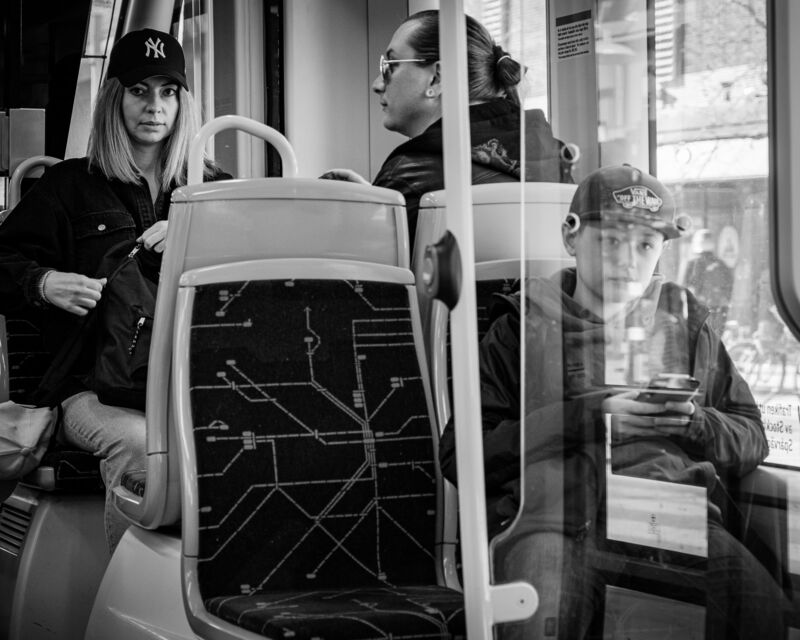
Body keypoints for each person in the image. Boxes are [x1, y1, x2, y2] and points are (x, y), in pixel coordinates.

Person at [439, 165, 789, 639]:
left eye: (645, 245)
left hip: (662, 511)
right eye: (611, 241)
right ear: (570, 236)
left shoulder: (685, 325)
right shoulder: (522, 327)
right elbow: (462, 455)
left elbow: (752, 436)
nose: (628, 260)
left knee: (761, 606)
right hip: (553, 518)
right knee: (541, 619)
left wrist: (692, 421)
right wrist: (592, 417)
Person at [0, 28, 230, 552]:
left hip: (192, 383)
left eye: (168, 92)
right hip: (93, 391)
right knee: (142, 448)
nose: (155, 106)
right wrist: (44, 283)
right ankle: (135, 591)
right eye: (139, 91)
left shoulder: (211, 190)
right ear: (113, 99)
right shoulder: (68, 187)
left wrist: (199, 234)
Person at [323, 10, 574, 247]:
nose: (377, 84)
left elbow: (374, 272)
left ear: (437, 78)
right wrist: (384, 201)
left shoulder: (408, 177)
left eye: (391, 65)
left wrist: (378, 208)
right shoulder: (556, 166)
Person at [683, 229, 734, 334]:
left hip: (699, 310)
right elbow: (729, 287)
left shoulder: (693, 264)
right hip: (718, 310)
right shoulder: (721, 264)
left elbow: (684, 287)